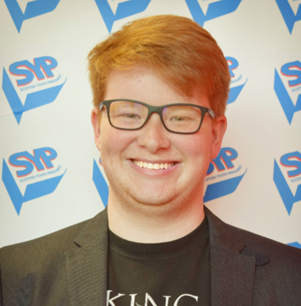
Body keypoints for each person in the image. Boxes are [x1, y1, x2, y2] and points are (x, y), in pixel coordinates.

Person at [0, 15, 300, 306]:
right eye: (129, 115)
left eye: (181, 117)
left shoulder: (292, 279)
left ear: (215, 135)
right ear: (97, 129)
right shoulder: (11, 276)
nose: (154, 141)